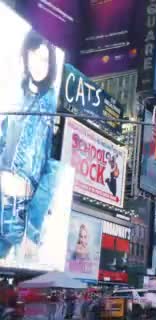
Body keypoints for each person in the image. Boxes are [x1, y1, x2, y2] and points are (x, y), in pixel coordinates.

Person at [0, 29, 62, 259]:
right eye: (33, 55)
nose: (37, 64)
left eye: (44, 58)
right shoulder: (15, 93)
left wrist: (32, 229)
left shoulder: (52, 103)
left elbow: (52, 169)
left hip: (19, 212)